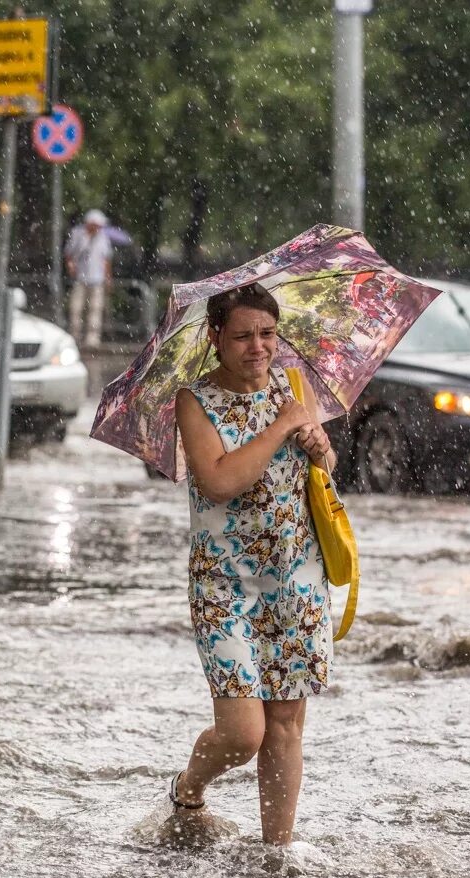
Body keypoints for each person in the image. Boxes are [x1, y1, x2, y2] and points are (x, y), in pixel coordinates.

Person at [167, 283, 335, 847]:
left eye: (267, 333)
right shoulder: (194, 401)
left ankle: (275, 856)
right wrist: (283, 426)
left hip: (295, 579)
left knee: (285, 726)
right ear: (216, 338)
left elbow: (325, 467)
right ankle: (189, 786)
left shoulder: (294, 386)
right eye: (242, 336)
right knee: (243, 734)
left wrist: (318, 445)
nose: (258, 347)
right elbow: (217, 482)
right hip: (224, 585)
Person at [65, 209, 114, 348]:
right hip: (80, 278)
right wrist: (71, 267)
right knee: (76, 308)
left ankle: (92, 338)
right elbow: (69, 253)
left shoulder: (103, 238)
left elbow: (106, 260)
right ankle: (75, 335)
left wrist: (108, 277)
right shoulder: (78, 234)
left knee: (95, 309)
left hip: (97, 279)